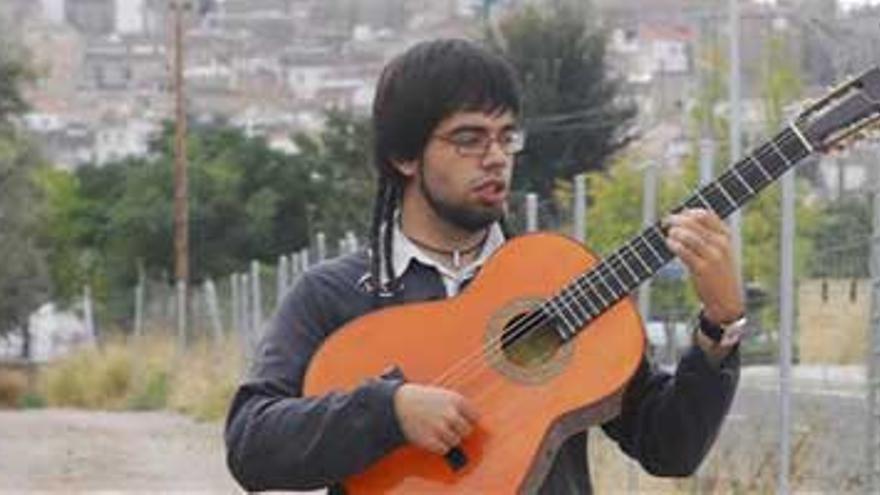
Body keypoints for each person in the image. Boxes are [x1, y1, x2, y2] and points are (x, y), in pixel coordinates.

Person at [224, 38, 743, 494]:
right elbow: (252, 441)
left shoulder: (553, 284)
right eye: (469, 139)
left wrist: (719, 326)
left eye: (506, 136)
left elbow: (669, 450)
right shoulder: (335, 293)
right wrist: (388, 411)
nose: (496, 157)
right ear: (405, 156)